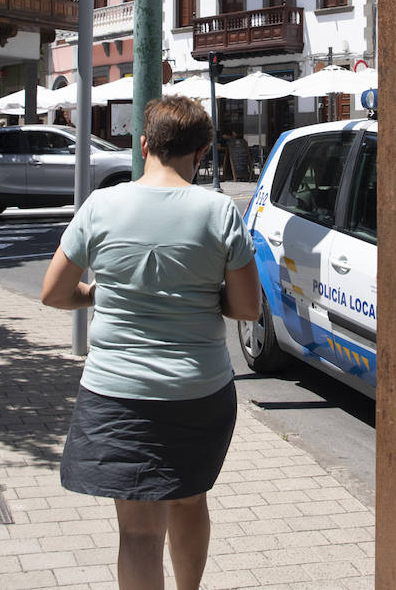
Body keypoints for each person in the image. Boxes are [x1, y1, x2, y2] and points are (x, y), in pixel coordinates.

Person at [41, 95, 261, 590]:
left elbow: (53, 292)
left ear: (143, 145)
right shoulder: (219, 210)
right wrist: (205, 299)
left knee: (138, 533)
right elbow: (248, 308)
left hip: (116, 392)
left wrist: (97, 293)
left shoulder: (102, 205)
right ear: (202, 152)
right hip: (198, 390)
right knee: (189, 499)